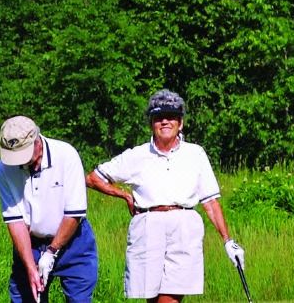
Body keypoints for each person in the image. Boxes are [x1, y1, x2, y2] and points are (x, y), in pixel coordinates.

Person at [86, 90, 246, 303]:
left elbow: (210, 201)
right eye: (158, 118)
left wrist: (228, 241)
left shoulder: (195, 154)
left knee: (169, 299)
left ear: (180, 123)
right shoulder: (137, 155)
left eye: (171, 116)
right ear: (151, 123)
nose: (164, 122)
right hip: (147, 226)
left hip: (184, 227)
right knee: (151, 297)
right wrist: (124, 195)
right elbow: (93, 178)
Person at [0, 115, 99, 303]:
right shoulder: (4, 169)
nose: (21, 162)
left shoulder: (66, 155)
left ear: (36, 141)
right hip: (31, 243)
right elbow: (15, 221)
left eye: (24, 155)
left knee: (79, 300)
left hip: (75, 241)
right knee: (25, 298)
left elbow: (74, 213)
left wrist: (51, 252)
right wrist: (30, 266)